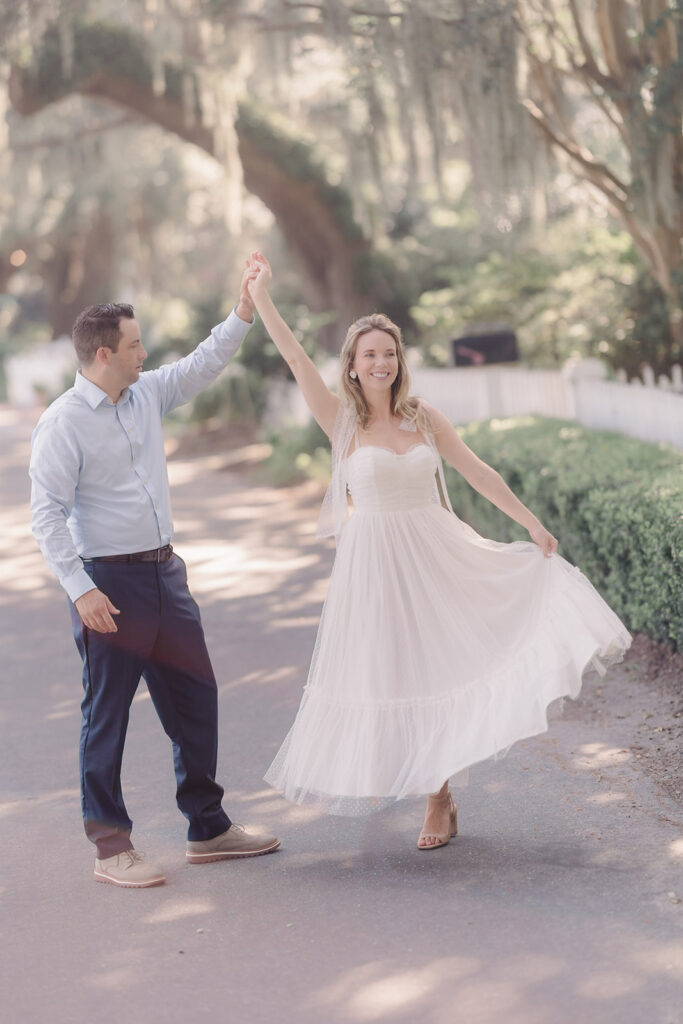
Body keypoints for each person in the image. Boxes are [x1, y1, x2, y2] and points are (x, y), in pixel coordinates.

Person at [246, 252, 631, 850]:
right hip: (373, 563)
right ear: (351, 365)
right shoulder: (340, 422)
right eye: (369, 353)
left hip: (435, 552)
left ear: (400, 361)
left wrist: (531, 524)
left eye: (389, 352)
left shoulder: (424, 418)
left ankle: (438, 797)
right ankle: (416, 782)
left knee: (440, 663)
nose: (380, 362)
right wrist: (262, 295)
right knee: (391, 671)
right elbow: (295, 356)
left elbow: (478, 473)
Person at [29, 267, 280, 887]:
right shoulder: (63, 422)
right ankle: (112, 847)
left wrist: (243, 309)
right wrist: (80, 588)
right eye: (136, 345)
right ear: (105, 353)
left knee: (196, 700)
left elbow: (202, 363)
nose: (147, 353)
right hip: (107, 585)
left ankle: (208, 827)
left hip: (166, 575)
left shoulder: (145, 395)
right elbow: (45, 514)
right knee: (107, 714)